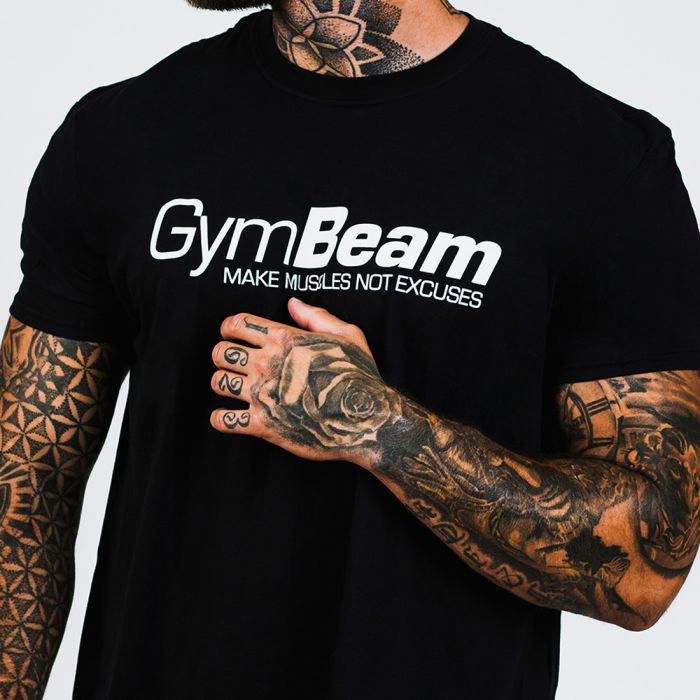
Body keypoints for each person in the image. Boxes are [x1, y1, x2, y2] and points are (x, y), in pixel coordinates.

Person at [1, 0, 699, 697]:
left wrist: (381, 429)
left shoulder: (597, 160)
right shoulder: (123, 133)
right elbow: (26, 496)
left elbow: (647, 568)